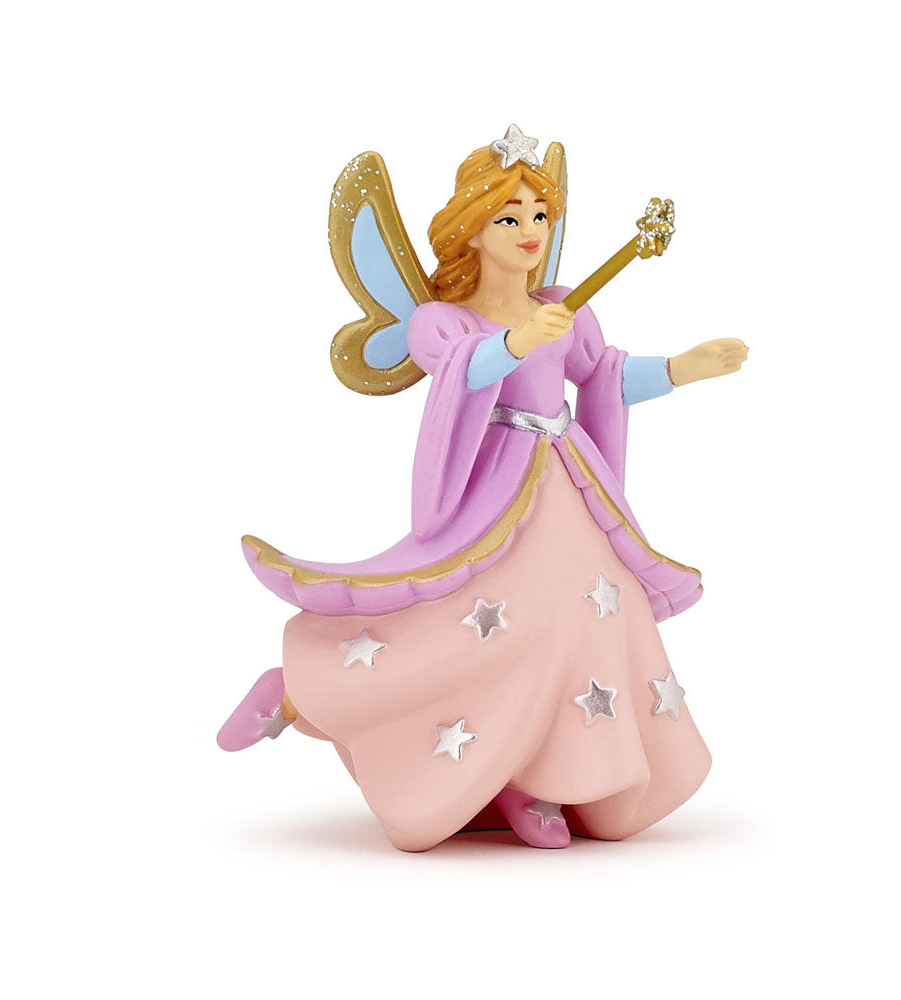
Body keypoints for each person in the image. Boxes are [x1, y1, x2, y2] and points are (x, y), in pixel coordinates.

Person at [218, 130, 748, 852]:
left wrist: (682, 368)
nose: (531, 231)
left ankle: (539, 780)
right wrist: (516, 343)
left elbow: (603, 375)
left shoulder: (562, 308)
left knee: (586, 622)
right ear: (472, 230)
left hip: (570, 483)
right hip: (497, 493)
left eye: (540, 215)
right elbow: (462, 370)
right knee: (475, 634)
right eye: (509, 217)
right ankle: (301, 691)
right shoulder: (444, 321)